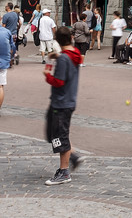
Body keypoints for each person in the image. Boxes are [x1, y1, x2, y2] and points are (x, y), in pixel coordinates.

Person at [43, 27, 84, 185]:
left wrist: (47, 74)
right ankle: (72, 156)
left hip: (61, 101)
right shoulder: (74, 54)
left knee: (60, 136)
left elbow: (59, 82)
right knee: (55, 134)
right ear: (71, 38)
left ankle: (64, 171)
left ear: (57, 41)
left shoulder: (64, 59)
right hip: (67, 100)